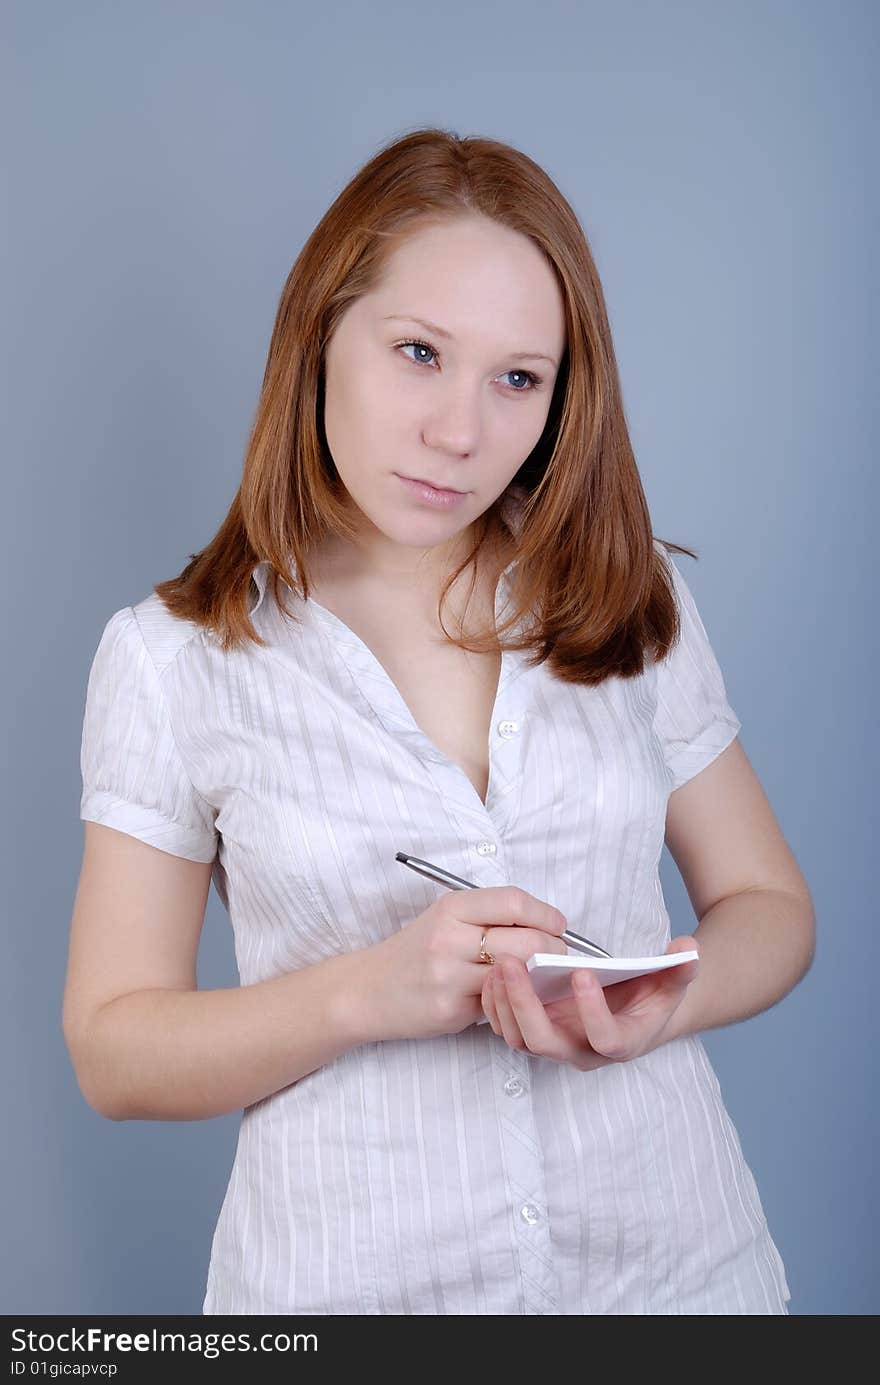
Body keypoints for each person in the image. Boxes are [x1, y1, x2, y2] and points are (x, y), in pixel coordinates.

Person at [63, 127, 815, 1315]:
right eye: (418, 352)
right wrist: (369, 990)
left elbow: (770, 910)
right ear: (320, 336)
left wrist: (661, 998)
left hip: (679, 1278)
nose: (461, 432)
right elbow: (114, 1047)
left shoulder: (632, 598)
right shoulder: (174, 660)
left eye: (517, 377)